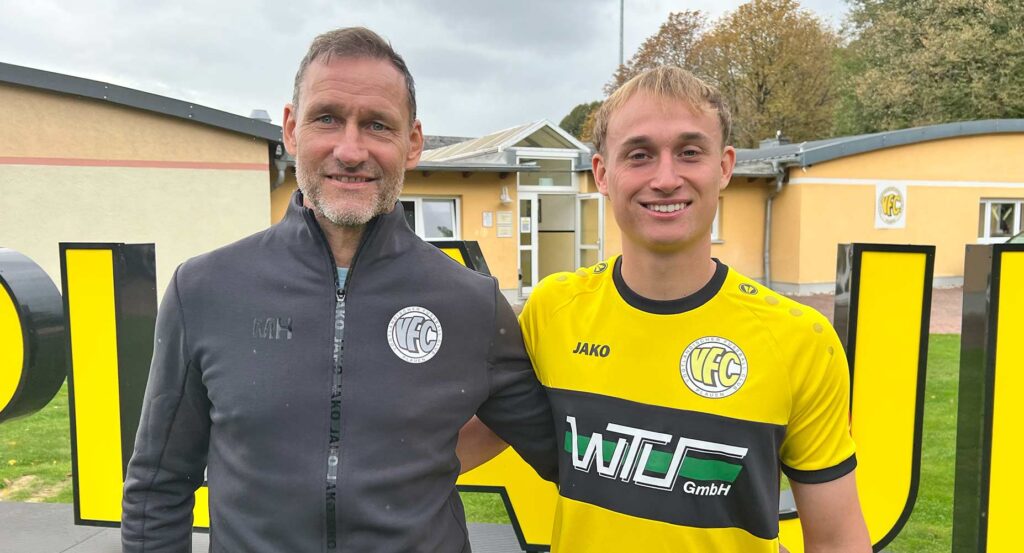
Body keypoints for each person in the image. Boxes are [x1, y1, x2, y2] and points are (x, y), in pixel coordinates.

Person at [121, 27, 557, 553]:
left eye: (377, 125)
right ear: (290, 128)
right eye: (327, 118)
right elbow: (157, 488)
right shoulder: (204, 289)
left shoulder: (471, 304)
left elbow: (568, 448)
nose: (351, 151)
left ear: (412, 142)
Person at [464, 66, 871, 552]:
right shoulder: (553, 309)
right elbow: (474, 435)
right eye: (639, 155)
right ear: (602, 174)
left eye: (689, 152)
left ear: (724, 167)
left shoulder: (800, 339)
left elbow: (837, 540)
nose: (665, 178)